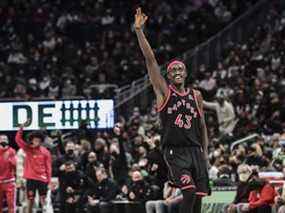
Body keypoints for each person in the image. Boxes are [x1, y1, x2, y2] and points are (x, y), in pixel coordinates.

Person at [134, 7, 210, 213]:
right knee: (189, 192)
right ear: (168, 76)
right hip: (175, 151)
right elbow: (150, 61)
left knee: (199, 200)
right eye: (173, 70)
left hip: (196, 151)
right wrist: (139, 31)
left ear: (185, 73)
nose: (177, 71)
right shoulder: (165, 93)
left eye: (180, 69)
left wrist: (206, 153)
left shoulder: (196, 96)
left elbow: (202, 126)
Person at [15, 121, 52, 213]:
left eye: (38, 140)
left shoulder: (46, 152)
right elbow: (17, 139)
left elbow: (48, 168)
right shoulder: (27, 149)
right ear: (31, 140)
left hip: (42, 179)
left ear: (41, 141)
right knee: (30, 201)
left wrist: (49, 181)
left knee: (44, 201)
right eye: (35, 140)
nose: (37, 142)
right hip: (31, 179)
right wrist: (21, 128)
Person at [0, 135, 17, 213]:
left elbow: (15, 165)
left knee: (11, 205)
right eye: (2, 139)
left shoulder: (12, 151)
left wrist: (11, 160)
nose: (4, 140)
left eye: (6, 139)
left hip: (9, 182)